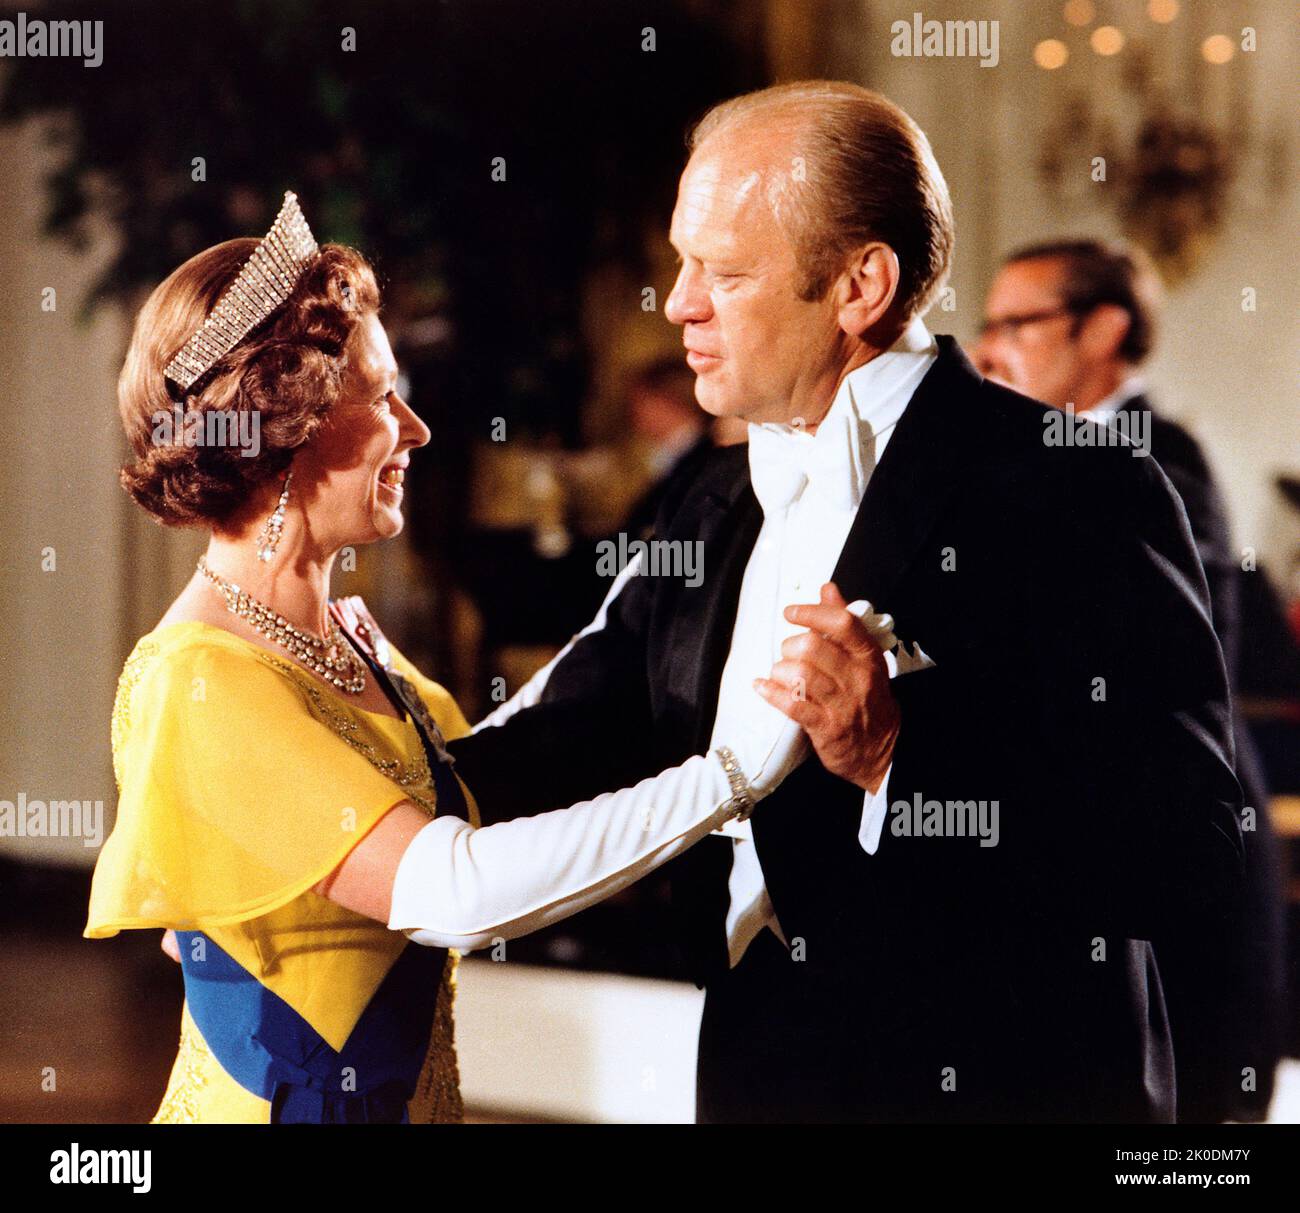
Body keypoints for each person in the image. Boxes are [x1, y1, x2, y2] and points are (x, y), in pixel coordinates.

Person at [451, 82, 1245, 1123]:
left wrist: (895, 759)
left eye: (723, 272)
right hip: (757, 1070)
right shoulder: (713, 493)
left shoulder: (1077, 485)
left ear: (859, 284)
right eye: (684, 261)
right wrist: (342, 766)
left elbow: (1186, 850)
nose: (678, 302)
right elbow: (576, 730)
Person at [84, 193, 855, 1124]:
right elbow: (459, 886)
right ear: (281, 428)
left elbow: (482, 786)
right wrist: (734, 772)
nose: (415, 429)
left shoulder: (355, 641)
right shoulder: (199, 677)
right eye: (379, 397)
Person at [973, 237, 1285, 1121]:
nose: (990, 350)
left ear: (1104, 328)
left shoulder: (1157, 461)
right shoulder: (1044, 458)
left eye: (1017, 324)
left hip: (1172, 867)